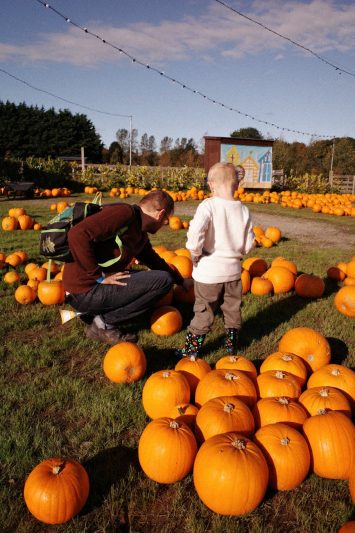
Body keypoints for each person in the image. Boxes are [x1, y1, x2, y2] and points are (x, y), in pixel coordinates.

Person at [63, 190, 187, 345]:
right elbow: (77, 234)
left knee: (156, 279)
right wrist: (99, 276)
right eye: (166, 220)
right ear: (160, 215)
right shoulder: (124, 213)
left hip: (89, 290)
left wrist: (181, 281)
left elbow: (152, 259)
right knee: (163, 281)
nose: (164, 224)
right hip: (83, 291)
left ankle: (93, 313)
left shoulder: (138, 229)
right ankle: (103, 324)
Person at [177, 162, 255, 358]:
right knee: (232, 309)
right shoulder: (244, 210)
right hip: (234, 273)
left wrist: (195, 252)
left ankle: (191, 351)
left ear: (211, 185)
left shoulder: (208, 205)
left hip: (208, 273)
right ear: (236, 185)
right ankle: (231, 346)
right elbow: (248, 244)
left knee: (204, 310)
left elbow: (195, 232)